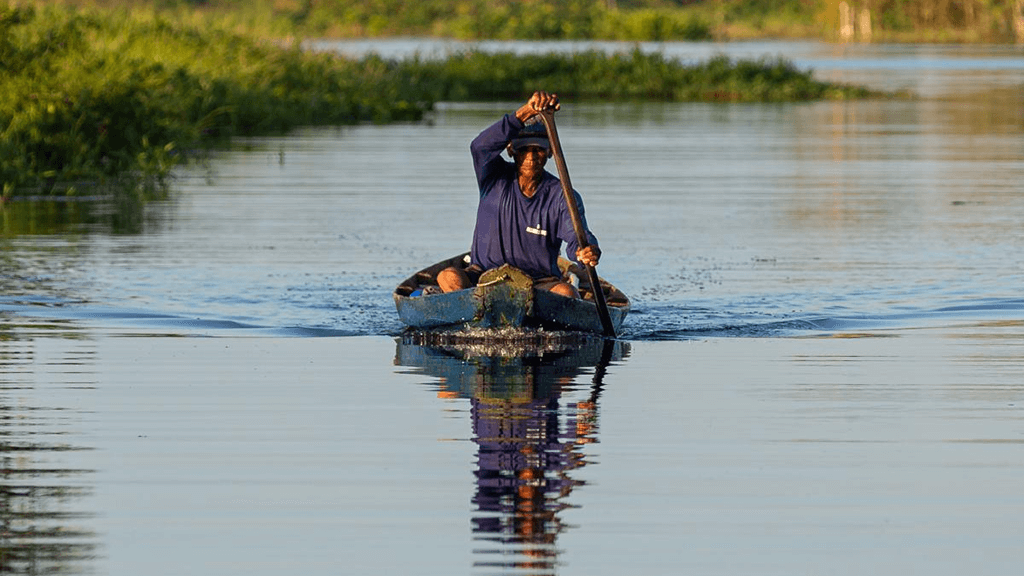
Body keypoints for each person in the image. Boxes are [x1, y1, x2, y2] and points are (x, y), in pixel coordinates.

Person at [437, 91, 601, 298]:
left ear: (550, 152)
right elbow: (479, 147)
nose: (531, 157)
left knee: (567, 293)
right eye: (524, 149)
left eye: (538, 149)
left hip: (538, 282)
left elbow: (577, 236)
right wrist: (526, 111)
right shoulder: (494, 177)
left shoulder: (563, 196)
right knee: (447, 277)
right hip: (484, 275)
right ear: (511, 150)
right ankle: (471, 307)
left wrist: (586, 251)